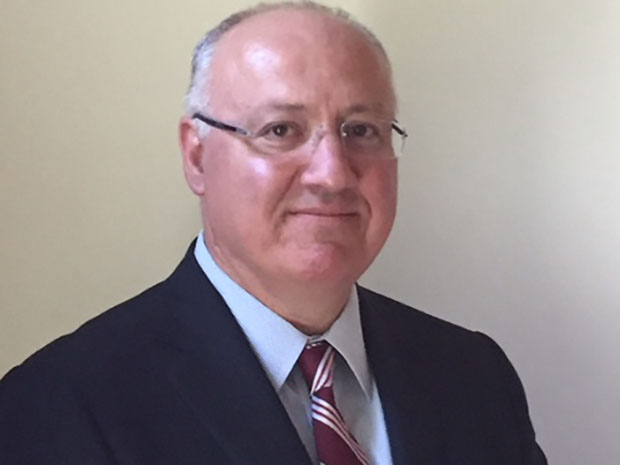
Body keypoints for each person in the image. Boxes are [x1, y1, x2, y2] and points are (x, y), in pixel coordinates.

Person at [0, 2, 547, 464]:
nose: (332, 174)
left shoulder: (476, 376)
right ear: (196, 156)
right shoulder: (58, 405)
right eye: (281, 130)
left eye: (361, 130)